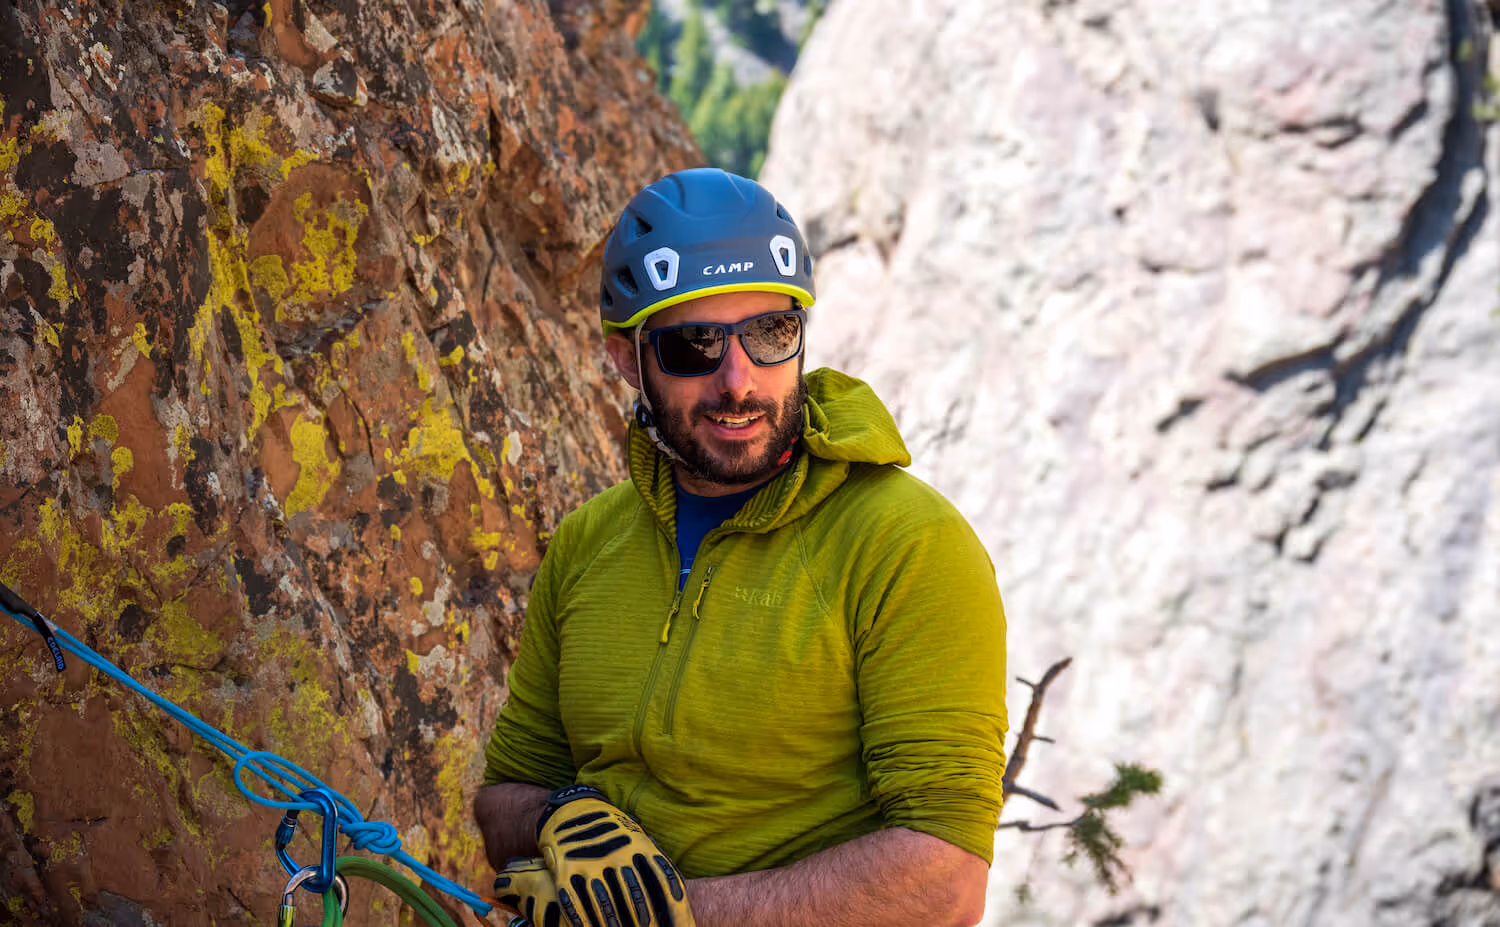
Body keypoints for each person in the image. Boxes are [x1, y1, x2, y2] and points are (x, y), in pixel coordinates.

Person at [473, 168, 1008, 927]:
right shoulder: (590, 543)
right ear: (627, 360)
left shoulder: (906, 545)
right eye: (693, 345)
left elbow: (945, 878)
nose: (739, 380)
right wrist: (559, 816)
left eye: (770, 334)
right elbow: (507, 792)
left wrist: (665, 916)